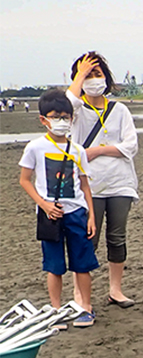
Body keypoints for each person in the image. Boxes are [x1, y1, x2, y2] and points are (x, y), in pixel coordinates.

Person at [19, 89, 98, 329]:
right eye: (56, 116)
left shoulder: (78, 150)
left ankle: (85, 307)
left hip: (76, 212)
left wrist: (91, 215)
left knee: (82, 264)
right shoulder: (35, 147)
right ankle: (55, 309)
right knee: (54, 265)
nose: (62, 121)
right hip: (49, 215)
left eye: (66, 116)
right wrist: (43, 204)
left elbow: (84, 184)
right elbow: (24, 180)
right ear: (43, 119)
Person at [66, 52, 139, 308]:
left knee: (117, 237)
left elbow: (130, 145)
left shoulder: (119, 110)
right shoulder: (74, 112)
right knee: (88, 239)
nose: (93, 80)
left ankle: (115, 290)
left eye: (97, 74)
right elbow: (68, 102)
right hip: (89, 186)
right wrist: (80, 75)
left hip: (120, 183)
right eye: (88, 75)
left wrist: (98, 151)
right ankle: (80, 294)